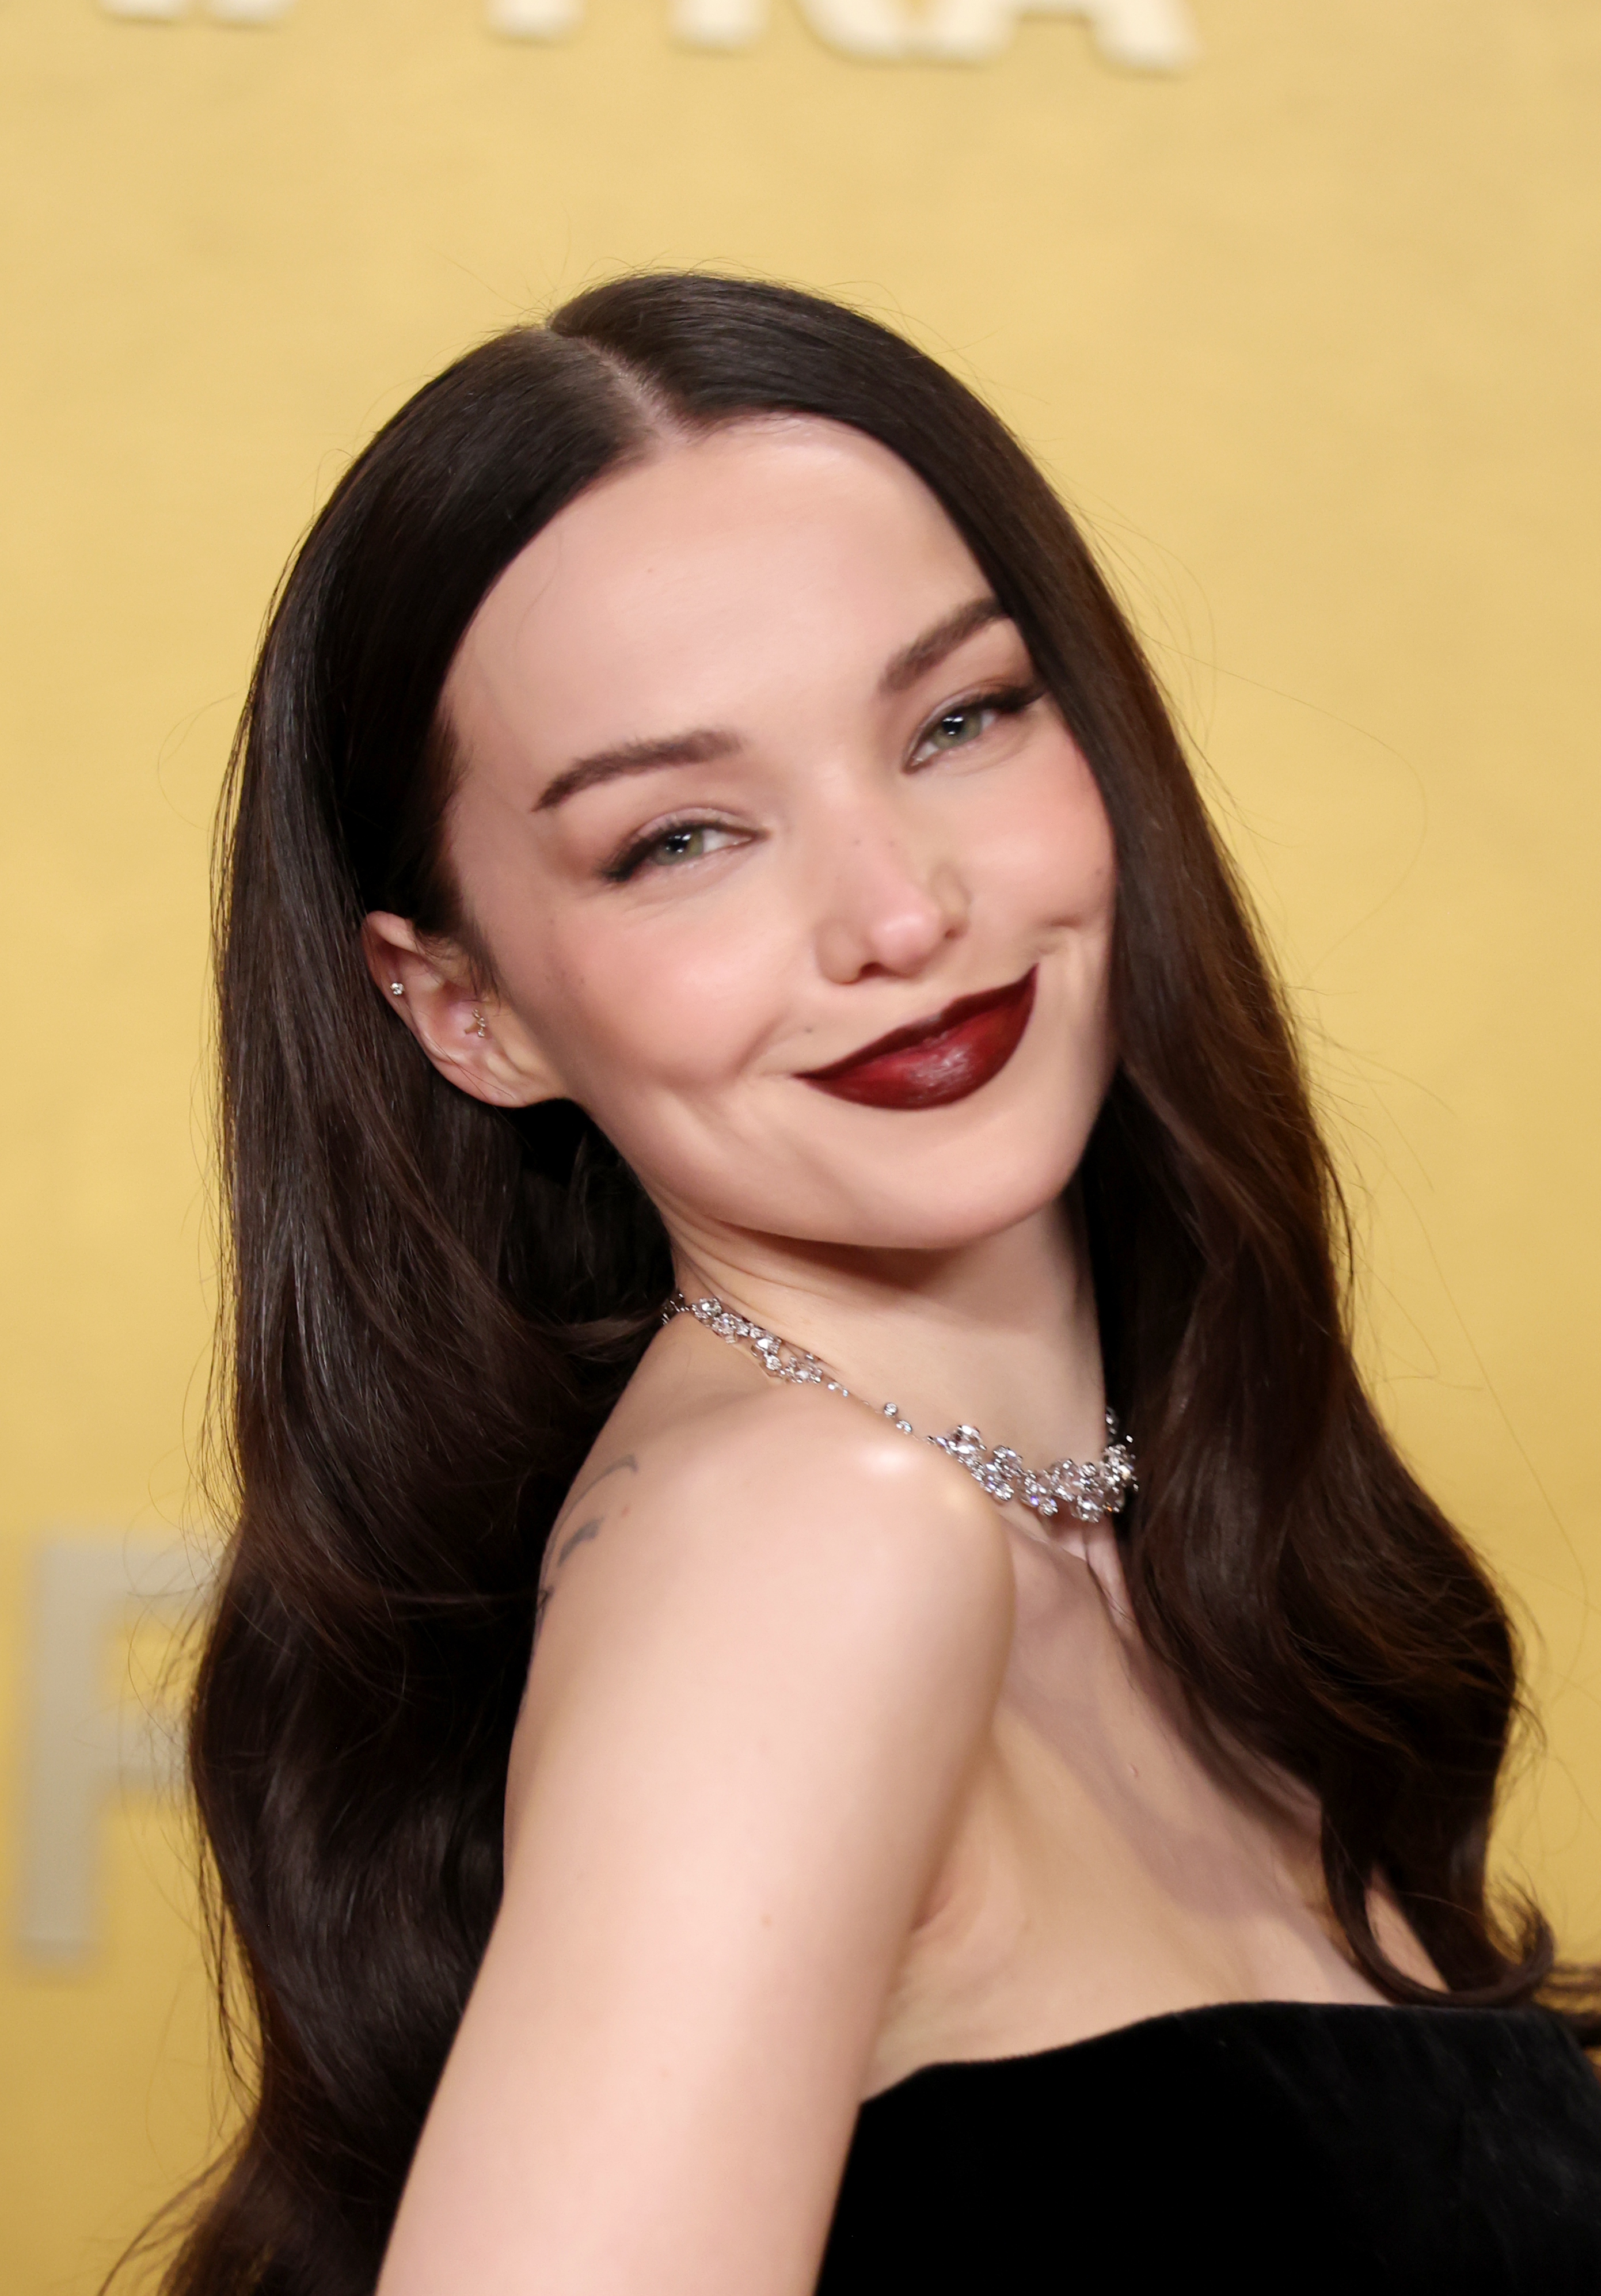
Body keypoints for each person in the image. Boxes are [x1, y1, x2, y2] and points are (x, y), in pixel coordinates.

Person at [169, 273, 1601, 2296]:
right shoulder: (812, 1545)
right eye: (682, 836)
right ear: (465, 1007)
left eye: (958, 720)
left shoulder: (1165, 1564)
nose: (900, 912)